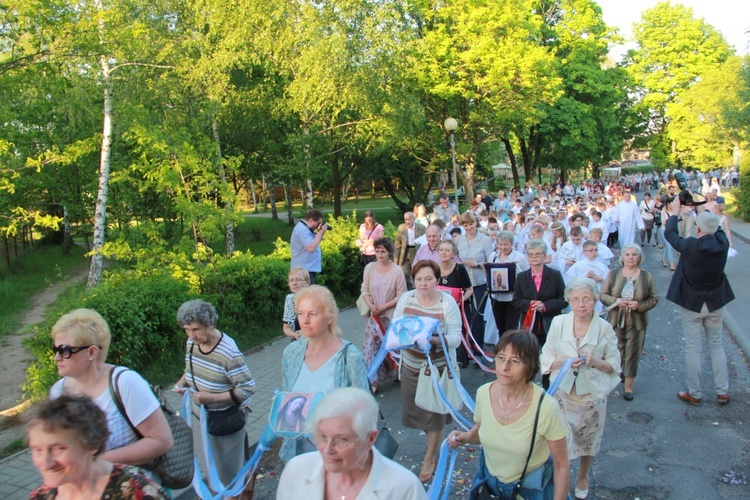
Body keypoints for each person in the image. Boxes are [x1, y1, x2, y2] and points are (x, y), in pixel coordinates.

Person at [49, 309, 173, 478]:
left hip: (132, 487)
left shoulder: (125, 383)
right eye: (55, 349)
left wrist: (96, 461)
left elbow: (162, 441)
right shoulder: (57, 392)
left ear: (92, 352)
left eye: (64, 350)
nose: (56, 357)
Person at [449, 330, 569, 500]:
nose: (504, 367)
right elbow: (482, 430)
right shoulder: (484, 393)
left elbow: (561, 465)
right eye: (500, 358)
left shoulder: (546, 407)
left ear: (530, 366)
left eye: (515, 361)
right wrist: (466, 437)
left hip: (528, 491)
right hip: (491, 488)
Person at [540, 278, 621, 499]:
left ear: (595, 300)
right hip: (562, 394)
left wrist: (594, 361)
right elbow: (546, 357)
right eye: (575, 300)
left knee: (588, 440)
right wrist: (563, 361)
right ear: (569, 301)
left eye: (586, 299)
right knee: (557, 442)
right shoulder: (558, 323)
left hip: (590, 396)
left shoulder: (604, 328)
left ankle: (583, 475)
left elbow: (614, 366)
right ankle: (560, 478)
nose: (581, 304)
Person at [276, 387, 426, 499]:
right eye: (322, 436)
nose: (327, 450)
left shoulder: (405, 489)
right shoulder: (295, 470)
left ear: (370, 439)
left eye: (341, 439)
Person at [172, 299, 255, 495]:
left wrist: (212, 398)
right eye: (187, 330)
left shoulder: (228, 352)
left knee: (230, 473)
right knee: (213, 468)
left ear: (210, 324)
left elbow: (247, 389)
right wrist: (182, 383)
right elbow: (190, 369)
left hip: (225, 421)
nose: (191, 335)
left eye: (196, 330)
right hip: (202, 419)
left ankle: (239, 493)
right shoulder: (191, 344)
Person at [280, 285, 370, 460]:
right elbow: (287, 399)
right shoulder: (291, 354)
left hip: (338, 455)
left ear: (329, 317)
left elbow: (364, 412)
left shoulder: (349, 357)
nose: (304, 320)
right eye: (300, 313)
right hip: (298, 454)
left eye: (312, 314)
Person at [392, 260, 462, 482]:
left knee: (433, 416)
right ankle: (432, 445)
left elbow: (456, 338)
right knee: (418, 414)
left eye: (429, 278)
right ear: (414, 280)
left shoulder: (447, 303)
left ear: (437, 280)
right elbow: (396, 324)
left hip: (436, 370)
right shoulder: (406, 298)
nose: (424, 283)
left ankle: (430, 458)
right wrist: (403, 336)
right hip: (411, 366)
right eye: (419, 279)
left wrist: (433, 339)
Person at [27, 394, 168, 500]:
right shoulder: (40, 496)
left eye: (59, 448)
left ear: (93, 443)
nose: (45, 463)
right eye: (37, 450)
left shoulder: (136, 491)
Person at [664, 206, 734, 406]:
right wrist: (708, 212)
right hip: (715, 302)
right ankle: (722, 391)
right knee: (716, 345)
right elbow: (718, 229)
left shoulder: (691, 246)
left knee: (693, 348)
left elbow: (670, 233)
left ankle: (695, 393)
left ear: (698, 229)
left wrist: (676, 213)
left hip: (692, 303)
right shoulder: (722, 244)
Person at [599, 244, 659, 401]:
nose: (631, 257)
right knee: (613, 351)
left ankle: (628, 387)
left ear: (639, 258)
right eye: (628, 254)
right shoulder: (613, 274)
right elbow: (603, 295)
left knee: (632, 353)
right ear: (622, 257)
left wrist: (639, 305)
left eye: (634, 255)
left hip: (637, 322)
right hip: (615, 320)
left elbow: (654, 298)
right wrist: (616, 301)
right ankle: (612, 380)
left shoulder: (647, 276)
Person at [512, 239, 567, 389]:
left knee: (550, 355)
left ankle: (547, 384)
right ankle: (527, 383)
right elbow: (516, 301)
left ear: (544, 256)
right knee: (529, 354)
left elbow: (564, 299)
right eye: (531, 254)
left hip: (550, 322)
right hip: (530, 324)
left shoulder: (555, 275)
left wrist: (545, 306)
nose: (534, 257)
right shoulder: (522, 277)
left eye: (537, 254)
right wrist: (530, 304)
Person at [360, 237, 407, 393]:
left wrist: (383, 307)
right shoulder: (370, 268)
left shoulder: (396, 271)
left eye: (383, 252)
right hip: (373, 315)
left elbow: (401, 295)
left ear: (389, 253)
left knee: (391, 346)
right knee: (370, 347)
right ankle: (372, 380)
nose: (380, 255)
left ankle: (396, 372)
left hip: (389, 315)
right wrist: (371, 305)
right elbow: (364, 289)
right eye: (378, 251)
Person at [455, 212, 495, 354]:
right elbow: (455, 257)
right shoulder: (459, 239)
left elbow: (491, 261)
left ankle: (478, 349)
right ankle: (464, 348)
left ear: (476, 223)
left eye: (471, 224)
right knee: (465, 314)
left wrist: (478, 264)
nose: (468, 227)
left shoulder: (484, 240)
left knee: (477, 315)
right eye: (465, 225)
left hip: (479, 281)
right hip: (464, 282)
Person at [488, 231, 529, 334]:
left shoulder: (519, 258)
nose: (503, 247)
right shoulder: (493, 256)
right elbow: (488, 274)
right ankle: (502, 348)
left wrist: (518, 289)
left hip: (513, 299)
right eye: (500, 244)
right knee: (500, 327)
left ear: (511, 244)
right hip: (496, 298)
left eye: (506, 244)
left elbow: (527, 276)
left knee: (511, 328)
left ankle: (510, 349)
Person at [290, 209, 327, 284]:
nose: (319, 225)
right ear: (311, 220)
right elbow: (311, 248)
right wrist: (321, 231)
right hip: (303, 271)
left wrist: (321, 232)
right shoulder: (302, 230)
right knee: (306, 295)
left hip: (306, 269)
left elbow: (315, 243)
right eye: (318, 223)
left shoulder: (306, 229)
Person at [394, 211, 426, 288]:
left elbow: (425, 241)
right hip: (405, 251)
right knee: (404, 272)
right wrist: (395, 257)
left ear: (414, 219)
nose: (408, 222)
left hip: (416, 251)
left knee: (417, 271)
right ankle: (409, 289)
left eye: (409, 219)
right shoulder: (401, 227)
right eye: (406, 219)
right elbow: (398, 243)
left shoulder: (421, 227)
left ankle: (418, 288)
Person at [282, 267, 311, 341]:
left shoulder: (315, 298)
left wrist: (307, 332)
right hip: (297, 342)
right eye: (291, 280)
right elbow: (286, 327)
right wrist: (294, 334)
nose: (294, 283)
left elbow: (324, 324)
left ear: (308, 282)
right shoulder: (289, 298)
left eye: (298, 280)